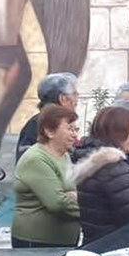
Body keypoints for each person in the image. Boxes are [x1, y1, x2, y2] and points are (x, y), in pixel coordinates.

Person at [11, 105, 82, 248]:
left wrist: (75, 195)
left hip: (63, 241)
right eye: (70, 129)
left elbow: (75, 190)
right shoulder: (36, 159)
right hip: (37, 242)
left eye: (76, 129)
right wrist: (91, 209)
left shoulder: (64, 155)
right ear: (49, 131)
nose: (75, 135)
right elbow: (58, 203)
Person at [71, 106, 129, 246]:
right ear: (117, 133)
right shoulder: (114, 168)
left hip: (95, 243)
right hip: (115, 247)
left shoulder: (91, 163)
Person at [15, 72, 79, 163]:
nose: (77, 99)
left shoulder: (54, 121)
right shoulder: (38, 123)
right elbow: (29, 161)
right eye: (74, 94)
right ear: (63, 99)